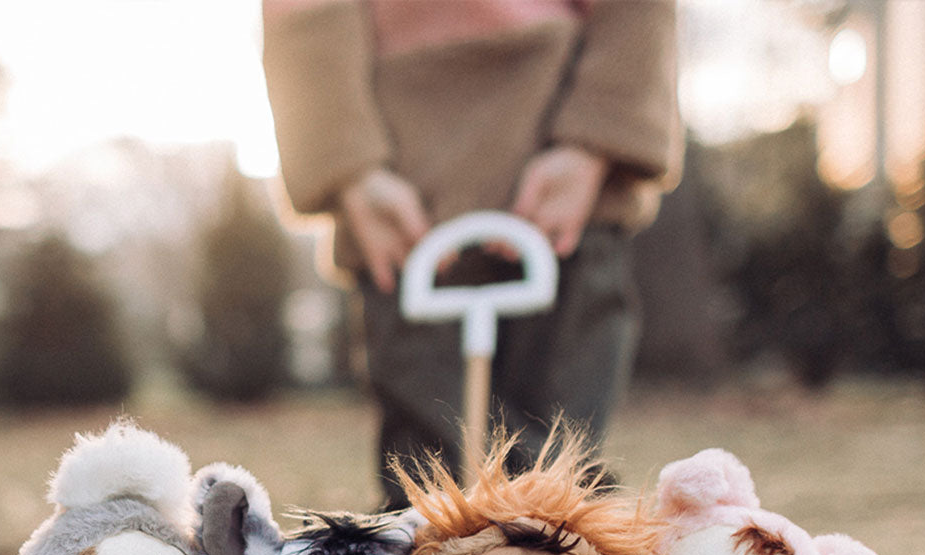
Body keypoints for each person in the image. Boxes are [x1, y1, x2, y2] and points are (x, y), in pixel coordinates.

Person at [261, 0, 683, 507]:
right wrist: (348, 166)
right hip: (398, 202)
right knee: (426, 478)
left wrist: (595, 139)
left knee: (555, 478)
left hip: (567, 180)